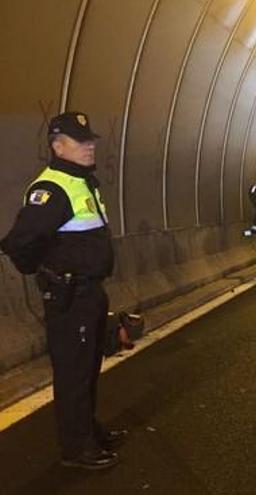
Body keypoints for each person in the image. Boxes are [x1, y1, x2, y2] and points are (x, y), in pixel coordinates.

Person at [0, 111, 125, 470]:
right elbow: (21, 240)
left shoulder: (83, 181)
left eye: (90, 140)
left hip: (89, 292)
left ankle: (87, 429)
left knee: (87, 368)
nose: (89, 147)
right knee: (73, 372)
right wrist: (46, 271)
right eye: (79, 141)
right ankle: (76, 447)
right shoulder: (51, 188)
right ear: (57, 146)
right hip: (70, 296)